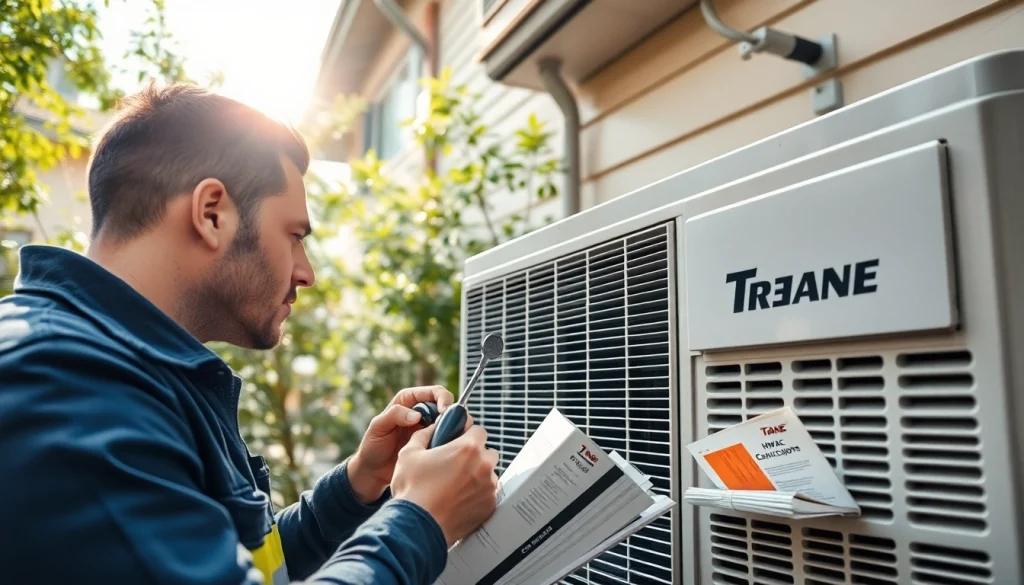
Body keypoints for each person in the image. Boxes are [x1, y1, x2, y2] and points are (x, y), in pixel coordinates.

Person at [0, 84, 500, 585]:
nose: (307, 273)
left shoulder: (132, 373)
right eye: (295, 236)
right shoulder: (68, 388)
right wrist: (422, 517)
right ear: (212, 213)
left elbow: (237, 564)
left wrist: (355, 486)